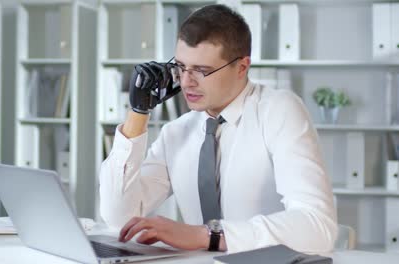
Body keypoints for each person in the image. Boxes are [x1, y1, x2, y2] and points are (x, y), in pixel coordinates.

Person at [99, 4, 337, 253]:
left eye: (202, 71)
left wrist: (208, 236)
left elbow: (317, 226)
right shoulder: (178, 132)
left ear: (242, 67)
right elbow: (119, 217)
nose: (187, 81)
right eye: (181, 67)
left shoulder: (279, 111)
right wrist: (139, 112)